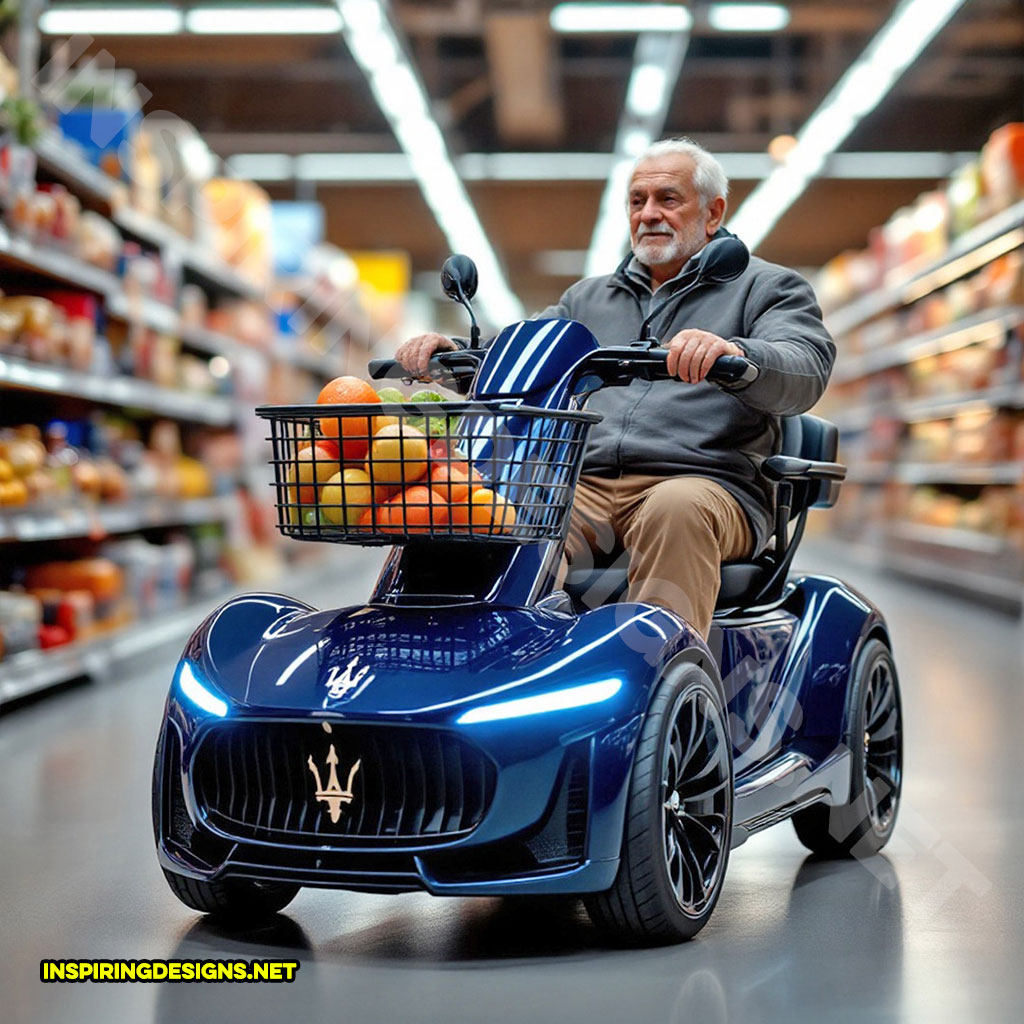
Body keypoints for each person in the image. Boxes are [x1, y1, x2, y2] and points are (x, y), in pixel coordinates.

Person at [395, 138, 835, 638]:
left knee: (676, 511)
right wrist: (448, 353)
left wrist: (737, 354)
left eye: (668, 199)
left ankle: (659, 681)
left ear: (713, 213)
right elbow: (522, 353)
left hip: (704, 485)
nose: (648, 214)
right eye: (636, 201)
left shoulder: (769, 287)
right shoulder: (587, 297)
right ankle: (490, 665)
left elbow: (806, 366)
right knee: (491, 512)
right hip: (583, 484)